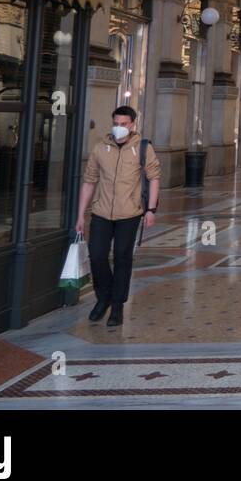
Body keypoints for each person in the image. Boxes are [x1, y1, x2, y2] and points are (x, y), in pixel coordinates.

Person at [75, 106, 161, 327]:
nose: (119, 128)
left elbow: (154, 178)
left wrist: (151, 210)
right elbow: (89, 181)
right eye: (116, 123)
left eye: (123, 124)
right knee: (96, 256)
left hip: (130, 213)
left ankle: (117, 305)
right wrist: (80, 215)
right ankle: (103, 298)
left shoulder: (142, 148)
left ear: (132, 125)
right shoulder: (100, 148)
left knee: (122, 258)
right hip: (101, 212)